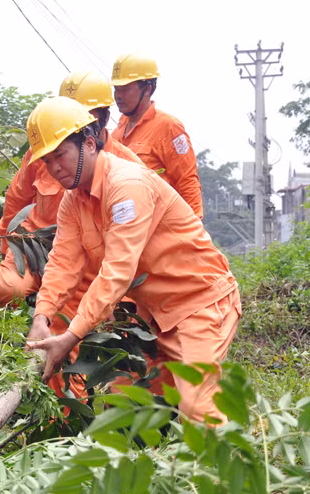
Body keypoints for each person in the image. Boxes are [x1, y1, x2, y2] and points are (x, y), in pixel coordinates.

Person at [23, 97, 241, 423]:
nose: (55, 168)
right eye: (47, 160)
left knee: (199, 410)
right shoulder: (73, 201)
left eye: (60, 155)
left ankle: (240, 468)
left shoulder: (126, 187)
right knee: (129, 410)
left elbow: (117, 272)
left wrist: (71, 335)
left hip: (200, 305)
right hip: (156, 318)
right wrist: (42, 315)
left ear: (89, 142)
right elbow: (62, 263)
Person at [0, 70, 141, 313]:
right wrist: (8, 248)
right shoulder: (45, 150)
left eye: (84, 115)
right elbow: (17, 197)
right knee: (2, 286)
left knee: (71, 323)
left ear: (104, 116)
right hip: (32, 250)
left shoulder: (125, 166)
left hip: (86, 264)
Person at [111, 54, 204, 219]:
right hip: (129, 229)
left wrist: (193, 230)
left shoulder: (169, 128)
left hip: (163, 229)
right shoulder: (117, 132)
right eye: (116, 89)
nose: (118, 95)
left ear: (147, 89)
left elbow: (187, 182)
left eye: (125, 89)